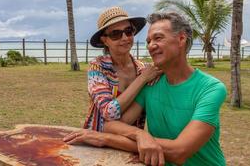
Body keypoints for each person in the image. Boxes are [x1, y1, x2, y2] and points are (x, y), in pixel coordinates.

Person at [64, 12, 227, 166]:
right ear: (105, 40)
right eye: (148, 41)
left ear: (181, 39)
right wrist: (140, 134)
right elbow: (111, 125)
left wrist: (106, 139)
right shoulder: (149, 82)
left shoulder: (210, 89)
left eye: (158, 38)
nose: (151, 46)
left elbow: (179, 151)